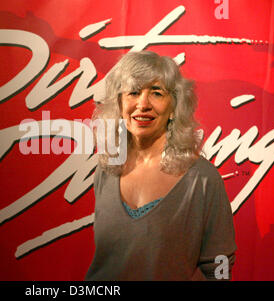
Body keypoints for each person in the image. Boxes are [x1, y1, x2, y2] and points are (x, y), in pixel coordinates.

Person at [85, 51, 236, 281]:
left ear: (175, 107)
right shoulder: (106, 170)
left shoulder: (202, 179)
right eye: (133, 92)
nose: (142, 104)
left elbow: (220, 266)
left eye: (156, 93)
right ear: (119, 103)